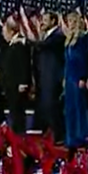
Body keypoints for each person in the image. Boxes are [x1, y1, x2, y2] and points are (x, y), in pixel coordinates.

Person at [33, 12, 65, 140]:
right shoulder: (46, 36)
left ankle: (58, 136)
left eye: (46, 20)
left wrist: (26, 40)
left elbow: (44, 45)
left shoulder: (58, 36)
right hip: (44, 77)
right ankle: (48, 135)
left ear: (53, 21)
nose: (42, 22)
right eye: (42, 19)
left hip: (53, 78)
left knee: (52, 107)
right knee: (45, 107)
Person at [62, 12, 88, 147]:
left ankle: (82, 137)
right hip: (69, 77)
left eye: (74, 21)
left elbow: (85, 59)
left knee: (80, 107)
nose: (71, 24)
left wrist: (83, 77)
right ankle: (71, 138)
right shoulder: (68, 39)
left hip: (78, 77)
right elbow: (67, 61)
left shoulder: (83, 38)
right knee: (70, 108)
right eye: (69, 21)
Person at [0, 19, 31, 133]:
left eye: (4, 31)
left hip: (17, 86)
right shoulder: (11, 44)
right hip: (11, 85)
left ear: (11, 32)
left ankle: (20, 137)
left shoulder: (19, 44)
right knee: (14, 112)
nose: (3, 34)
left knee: (18, 112)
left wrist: (23, 82)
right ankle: (16, 135)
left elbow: (24, 64)